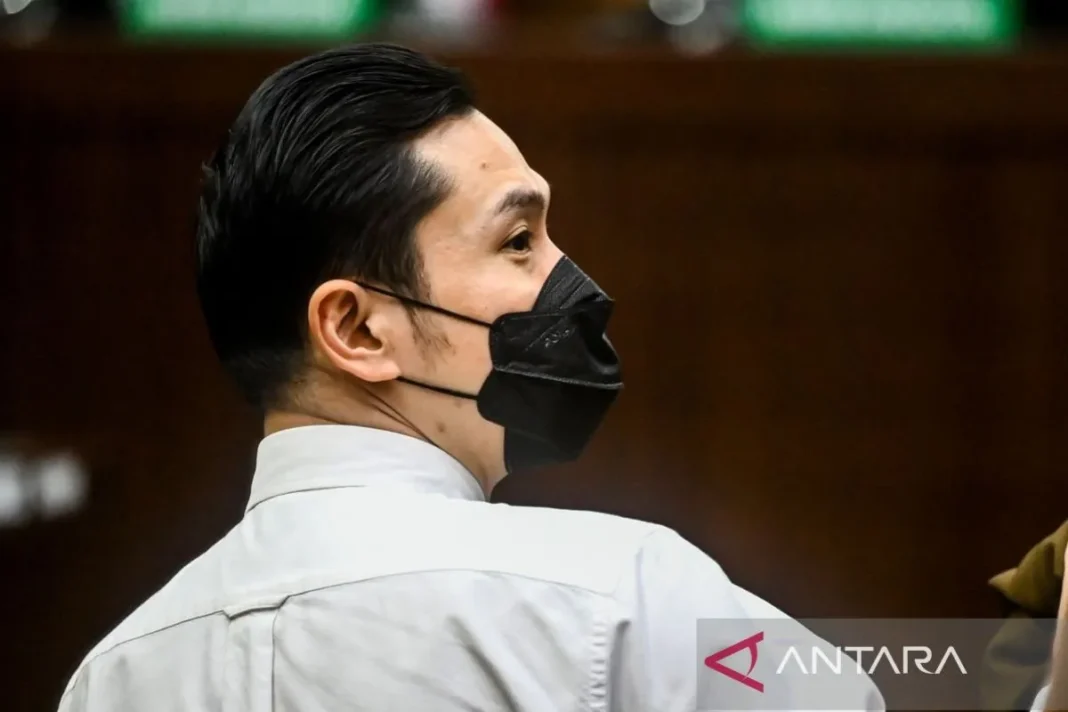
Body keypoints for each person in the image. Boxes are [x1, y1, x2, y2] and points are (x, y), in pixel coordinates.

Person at [58, 44, 883, 711]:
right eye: (518, 242)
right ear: (357, 328)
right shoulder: (622, 599)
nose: (575, 282)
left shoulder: (112, 679)